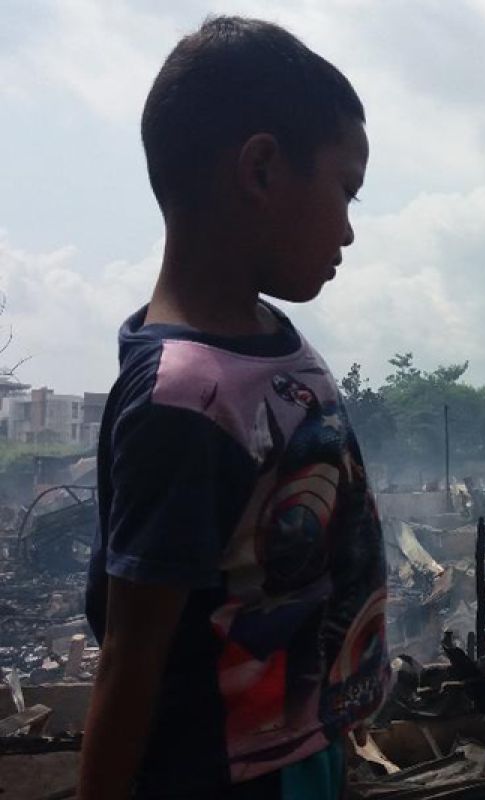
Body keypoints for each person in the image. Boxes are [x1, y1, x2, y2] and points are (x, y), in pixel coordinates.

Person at [79, 16, 388, 799]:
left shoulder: (273, 338)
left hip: (299, 751)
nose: (349, 229)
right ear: (260, 169)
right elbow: (130, 656)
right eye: (345, 189)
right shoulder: (185, 400)